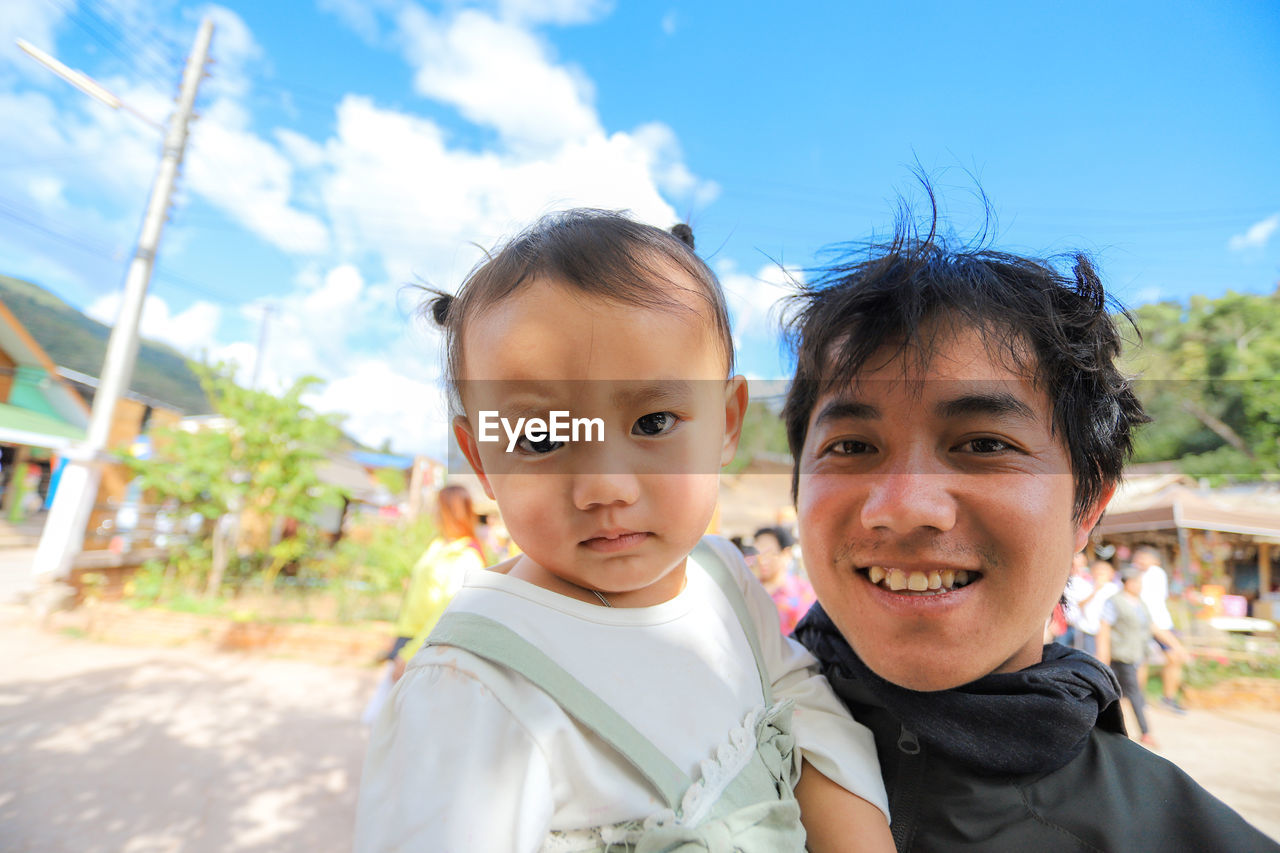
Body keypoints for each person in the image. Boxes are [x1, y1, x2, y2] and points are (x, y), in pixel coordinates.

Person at [355, 211, 892, 851]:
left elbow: (804, 710)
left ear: (725, 424)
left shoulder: (724, 579)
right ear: (481, 461)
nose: (605, 485)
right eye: (541, 437)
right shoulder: (476, 686)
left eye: (654, 423)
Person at [783, 197, 1278, 851]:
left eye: (984, 444)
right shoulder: (668, 731)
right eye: (850, 446)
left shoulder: (1178, 834)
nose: (904, 505)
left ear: (1087, 508)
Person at [388, 485, 486, 678]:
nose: (433, 512)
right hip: (409, 635)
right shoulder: (438, 546)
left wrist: (411, 653)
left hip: (425, 643)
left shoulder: (466, 557)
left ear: (448, 511)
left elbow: (448, 610)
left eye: (436, 507)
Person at [1097, 565, 1159, 747]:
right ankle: (1145, 732)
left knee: (1119, 694)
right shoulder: (1114, 601)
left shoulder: (1140, 603)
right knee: (1133, 693)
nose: (1140, 585)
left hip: (1135, 654)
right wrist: (1103, 654)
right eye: (1138, 582)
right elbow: (1104, 628)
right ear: (1128, 582)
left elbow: (1151, 627)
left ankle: (1109, 731)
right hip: (1120, 656)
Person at [1133, 544, 1190, 714]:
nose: (1139, 560)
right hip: (1151, 624)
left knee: (1171, 658)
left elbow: (1154, 607)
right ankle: (1145, 699)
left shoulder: (1154, 574)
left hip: (1158, 623)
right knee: (1144, 662)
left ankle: (1164, 698)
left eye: (1143, 557)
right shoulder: (1141, 575)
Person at [752, 525, 817, 635]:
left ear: (786, 554)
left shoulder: (804, 593)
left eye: (769, 553)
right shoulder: (748, 589)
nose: (762, 560)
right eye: (758, 553)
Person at [1076, 559, 1120, 656]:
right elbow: (1080, 604)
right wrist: (1095, 590)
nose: (1100, 575)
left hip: (1108, 630)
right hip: (1088, 629)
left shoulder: (1114, 589)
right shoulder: (1086, 586)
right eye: (1098, 572)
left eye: (1103, 572)